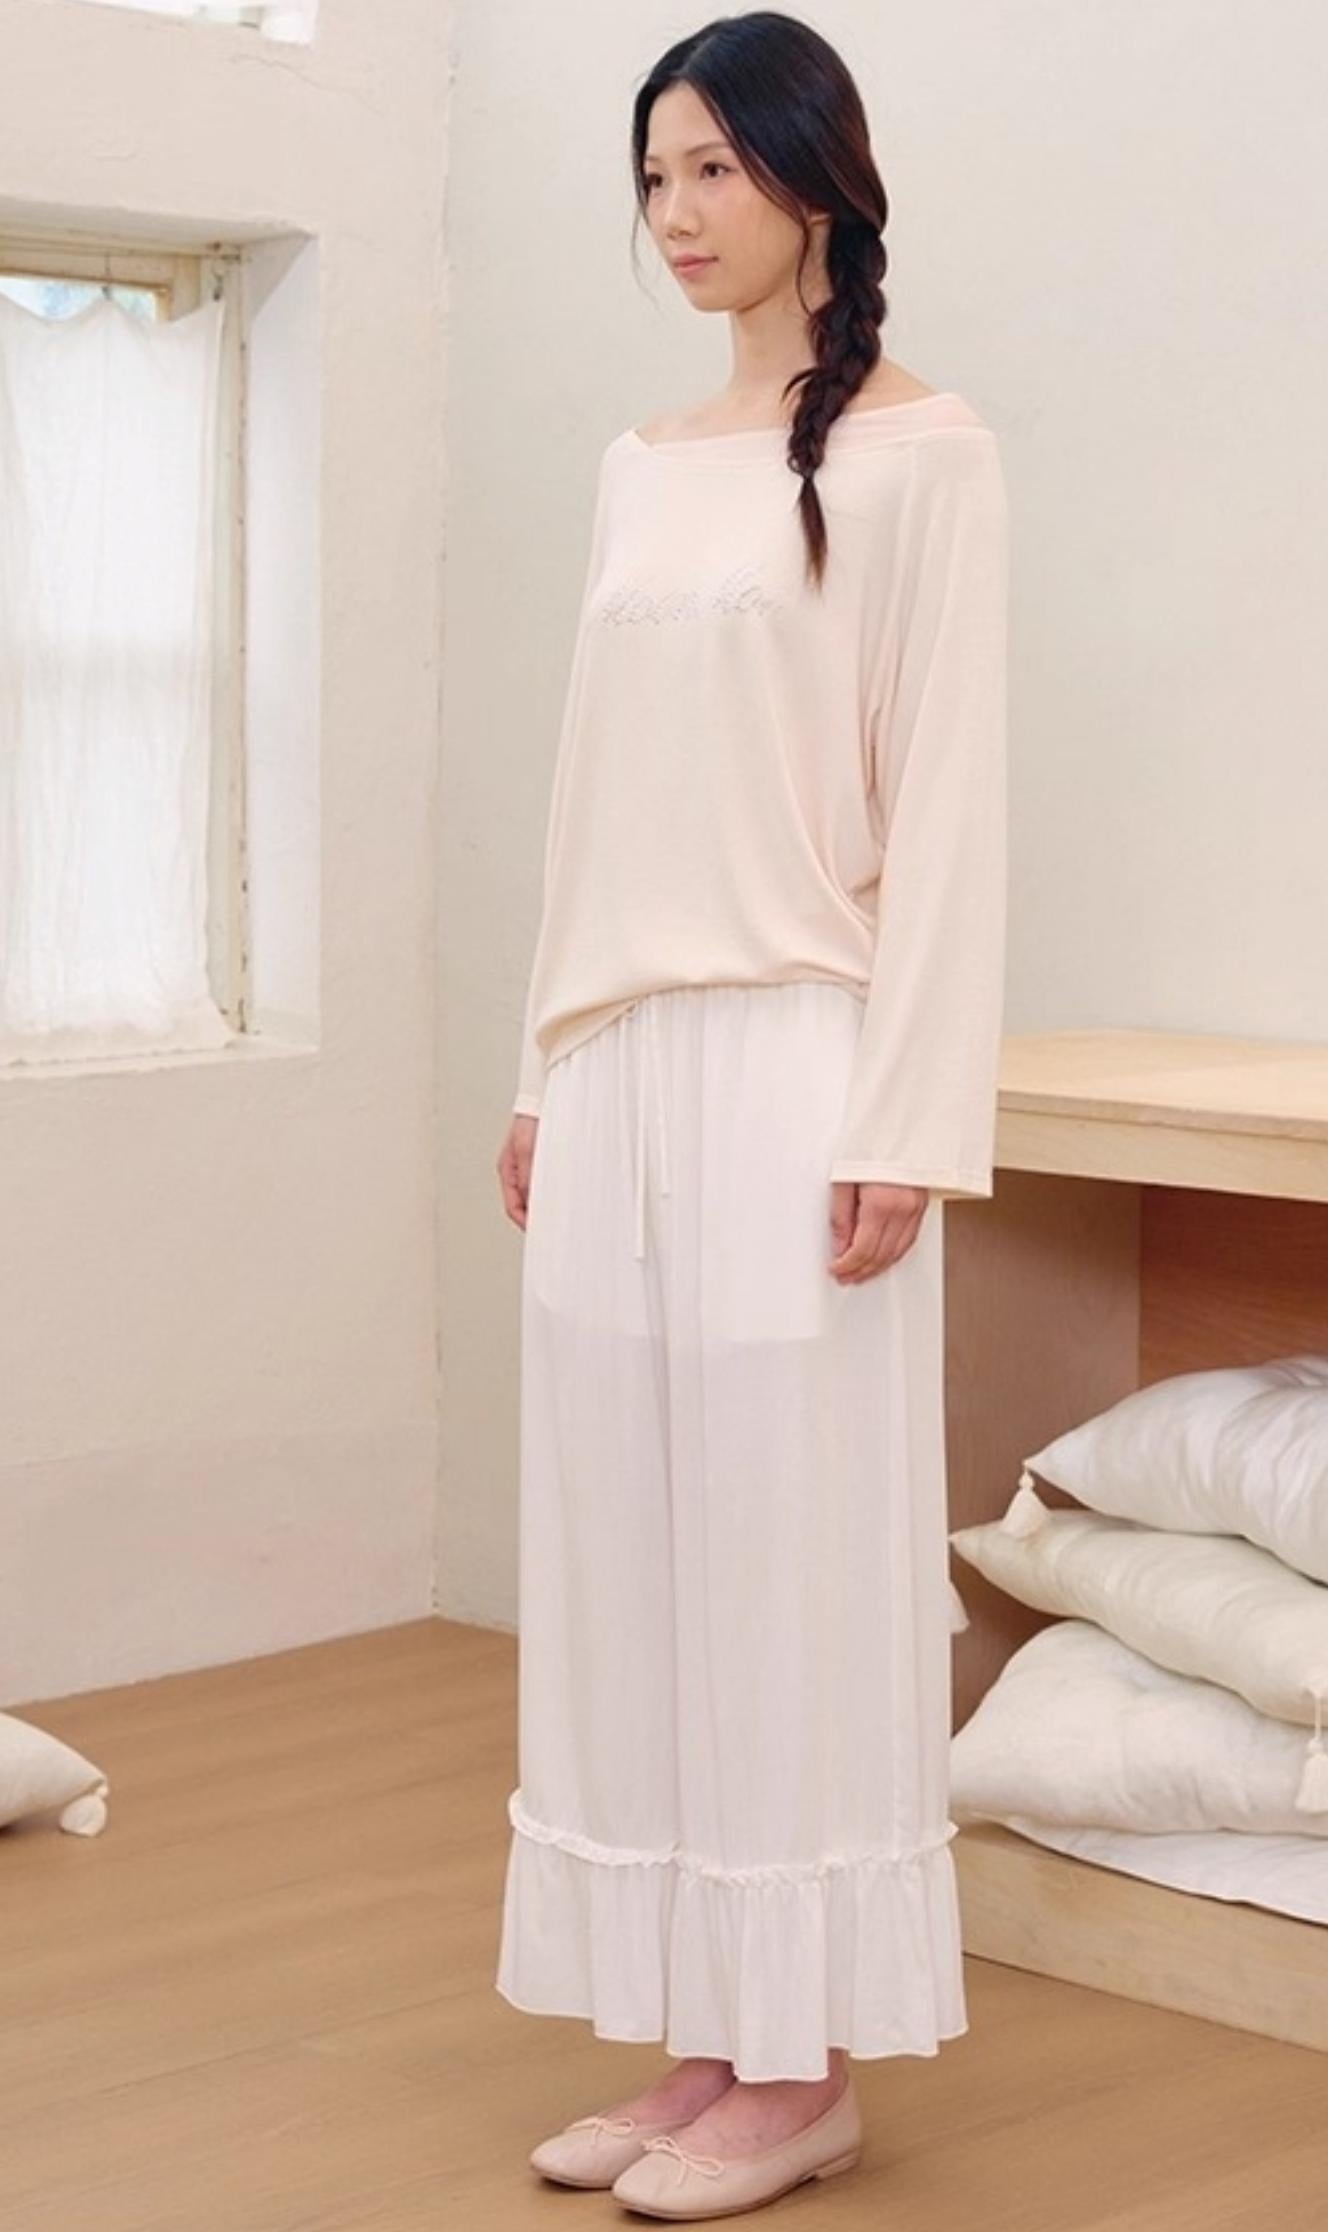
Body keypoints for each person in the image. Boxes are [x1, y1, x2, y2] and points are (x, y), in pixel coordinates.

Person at [492, 11, 1008, 2220]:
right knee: (637, 1554)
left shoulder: (926, 457)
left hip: (805, 1060)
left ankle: (805, 2072)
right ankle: (703, 2039)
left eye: (714, 169)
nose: (678, 215)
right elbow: (587, 798)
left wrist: (910, 1118)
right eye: (654, 177)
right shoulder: (639, 463)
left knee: (787, 1555)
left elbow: (953, 809)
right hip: (620, 1064)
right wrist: (542, 1063)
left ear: (815, 180)